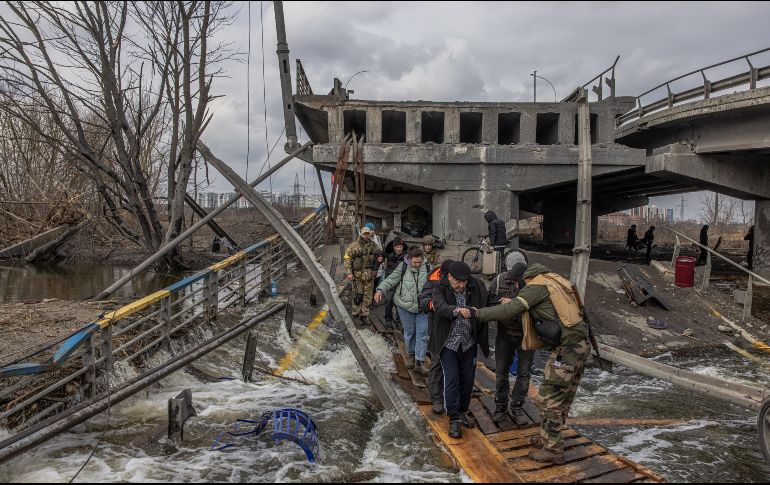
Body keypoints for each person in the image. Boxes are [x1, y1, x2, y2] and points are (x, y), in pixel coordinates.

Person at [472, 263, 591, 465]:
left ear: (523, 280)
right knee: (563, 397)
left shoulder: (535, 286)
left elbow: (510, 310)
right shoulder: (554, 279)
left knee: (549, 398)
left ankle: (553, 449)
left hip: (566, 349)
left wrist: (478, 313)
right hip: (580, 345)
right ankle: (549, 437)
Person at [432, 261, 499, 439]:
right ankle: (453, 418)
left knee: (468, 380)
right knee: (452, 379)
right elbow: (440, 307)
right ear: (450, 277)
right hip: (449, 343)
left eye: (465, 281)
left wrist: (502, 300)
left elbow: (488, 297)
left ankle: (462, 411)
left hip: (469, 342)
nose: (462, 285)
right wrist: (457, 310)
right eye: (458, 282)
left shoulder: (475, 284)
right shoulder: (440, 287)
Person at [488, 261, 535, 426]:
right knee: (501, 372)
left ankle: (517, 406)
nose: (516, 284)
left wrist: (513, 303)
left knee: (524, 373)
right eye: (515, 281)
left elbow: (538, 308)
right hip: (504, 333)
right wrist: (502, 304)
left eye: (519, 282)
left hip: (526, 335)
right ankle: (500, 406)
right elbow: (490, 302)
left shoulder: (533, 285)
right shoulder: (499, 281)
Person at [375, 247, 429, 373]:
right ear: (409, 259)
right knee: (410, 332)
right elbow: (390, 280)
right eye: (414, 262)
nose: (417, 265)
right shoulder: (403, 267)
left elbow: (437, 284)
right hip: (404, 306)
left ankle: (419, 361)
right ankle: (410, 355)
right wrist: (380, 290)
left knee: (422, 333)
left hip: (423, 307)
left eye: (419, 262)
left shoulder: (428, 268)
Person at [419, 259, 454, 415]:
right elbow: (423, 301)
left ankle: (452, 398)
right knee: (437, 362)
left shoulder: (460, 281)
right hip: (437, 328)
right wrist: (435, 305)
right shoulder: (433, 281)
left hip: (455, 329)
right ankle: (437, 398)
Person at [343, 225, 379, 325]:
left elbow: (378, 258)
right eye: (365, 234)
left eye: (368, 234)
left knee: (367, 297)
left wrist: (376, 269)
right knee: (358, 296)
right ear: (361, 234)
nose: (366, 236)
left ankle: (364, 315)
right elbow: (347, 259)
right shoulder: (354, 246)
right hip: (357, 276)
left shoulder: (374, 245)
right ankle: (355, 315)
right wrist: (349, 272)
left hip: (369, 276)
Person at [383, 237, 406, 325]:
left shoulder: (406, 256)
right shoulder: (389, 254)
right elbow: (378, 255)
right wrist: (375, 269)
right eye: (397, 247)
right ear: (393, 247)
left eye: (401, 247)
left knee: (399, 303)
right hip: (390, 281)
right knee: (389, 301)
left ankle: (399, 321)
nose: (399, 249)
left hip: (401, 282)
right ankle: (388, 319)